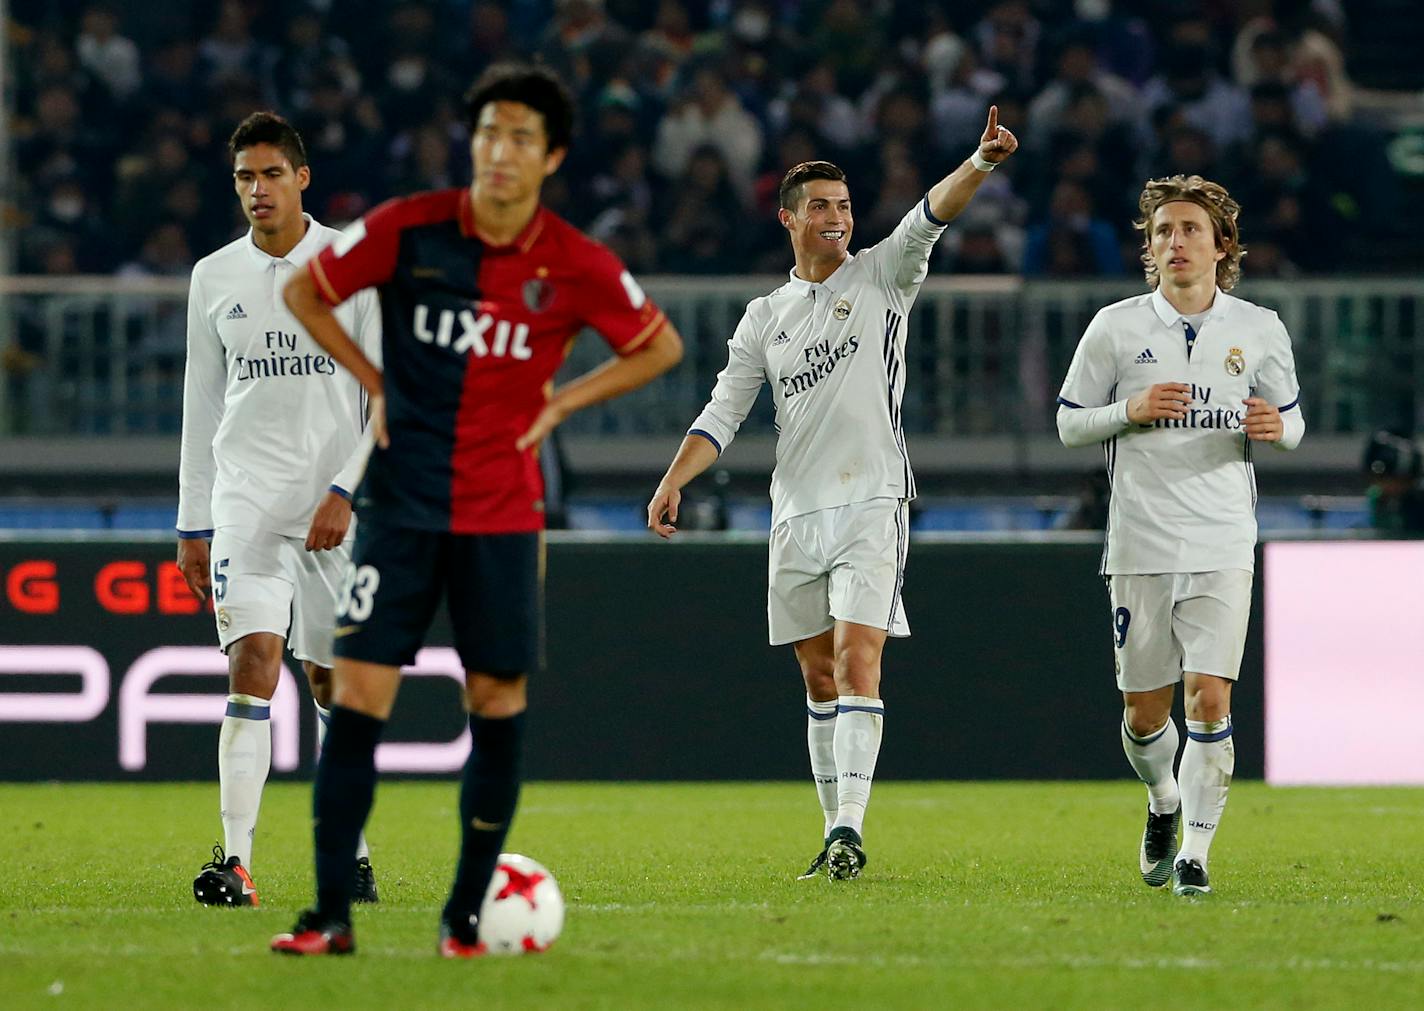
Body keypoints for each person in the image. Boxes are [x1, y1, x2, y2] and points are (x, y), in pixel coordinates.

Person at [270, 63, 683, 957]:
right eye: (490, 132)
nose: (501, 150)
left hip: (502, 514)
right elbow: (305, 291)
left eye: (522, 138)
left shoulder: (575, 261)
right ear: (474, 142)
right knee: (359, 694)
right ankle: (329, 915)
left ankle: (463, 920)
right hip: (402, 504)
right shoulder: (410, 227)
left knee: (495, 700)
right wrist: (374, 379)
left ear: (552, 157)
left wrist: (566, 402)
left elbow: (661, 346)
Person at [648, 108, 1020, 882]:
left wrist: (980, 162)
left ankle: (851, 830)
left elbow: (931, 215)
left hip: (872, 503)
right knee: (819, 677)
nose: (837, 217)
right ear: (789, 218)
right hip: (796, 514)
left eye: (844, 206)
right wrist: (673, 477)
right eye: (820, 206)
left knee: (858, 660)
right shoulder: (764, 317)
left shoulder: (883, 275)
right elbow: (724, 409)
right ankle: (831, 834)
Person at [1056, 174, 1305, 897]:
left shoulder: (1258, 328)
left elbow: (1292, 422)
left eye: (1191, 229)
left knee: (1210, 699)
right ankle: (1163, 798)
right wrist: (1127, 408)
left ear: (1221, 244)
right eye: (1163, 230)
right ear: (1151, 246)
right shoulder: (1116, 326)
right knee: (1143, 715)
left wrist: (1275, 429)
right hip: (1139, 540)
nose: (1175, 242)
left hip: (1224, 538)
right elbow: (1071, 421)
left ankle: (1195, 852)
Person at [177, 111, 383, 908]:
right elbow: (201, 403)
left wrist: (346, 489)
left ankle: (351, 851)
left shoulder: (350, 265)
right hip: (246, 501)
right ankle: (237, 861)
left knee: (331, 684)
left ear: (302, 178)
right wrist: (193, 521)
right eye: (242, 178)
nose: (255, 191)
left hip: (334, 505)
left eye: (269, 175)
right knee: (252, 665)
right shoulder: (213, 276)